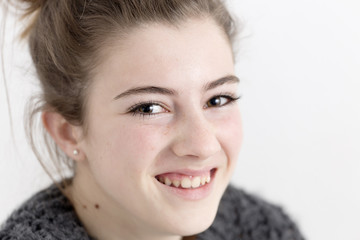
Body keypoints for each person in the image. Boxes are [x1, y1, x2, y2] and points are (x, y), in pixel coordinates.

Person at [0, 0, 304, 239]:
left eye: (217, 99)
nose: (203, 145)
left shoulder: (264, 230)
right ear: (68, 132)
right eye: (149, 108)